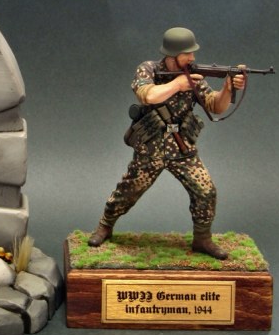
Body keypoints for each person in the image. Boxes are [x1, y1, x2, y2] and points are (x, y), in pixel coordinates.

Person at [87, 27, 245, 260]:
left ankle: (202, 238)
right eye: (187, 53)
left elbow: (215, 106)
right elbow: (148, 95)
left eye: (192, 53)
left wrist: (227, 89)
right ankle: (105, 226)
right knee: (127, 192)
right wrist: (178, 84)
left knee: (206, 191)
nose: (192, 57)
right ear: (172, 54)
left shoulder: (193, 75)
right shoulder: (148, 69)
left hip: (182, 148)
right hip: (151, 147)